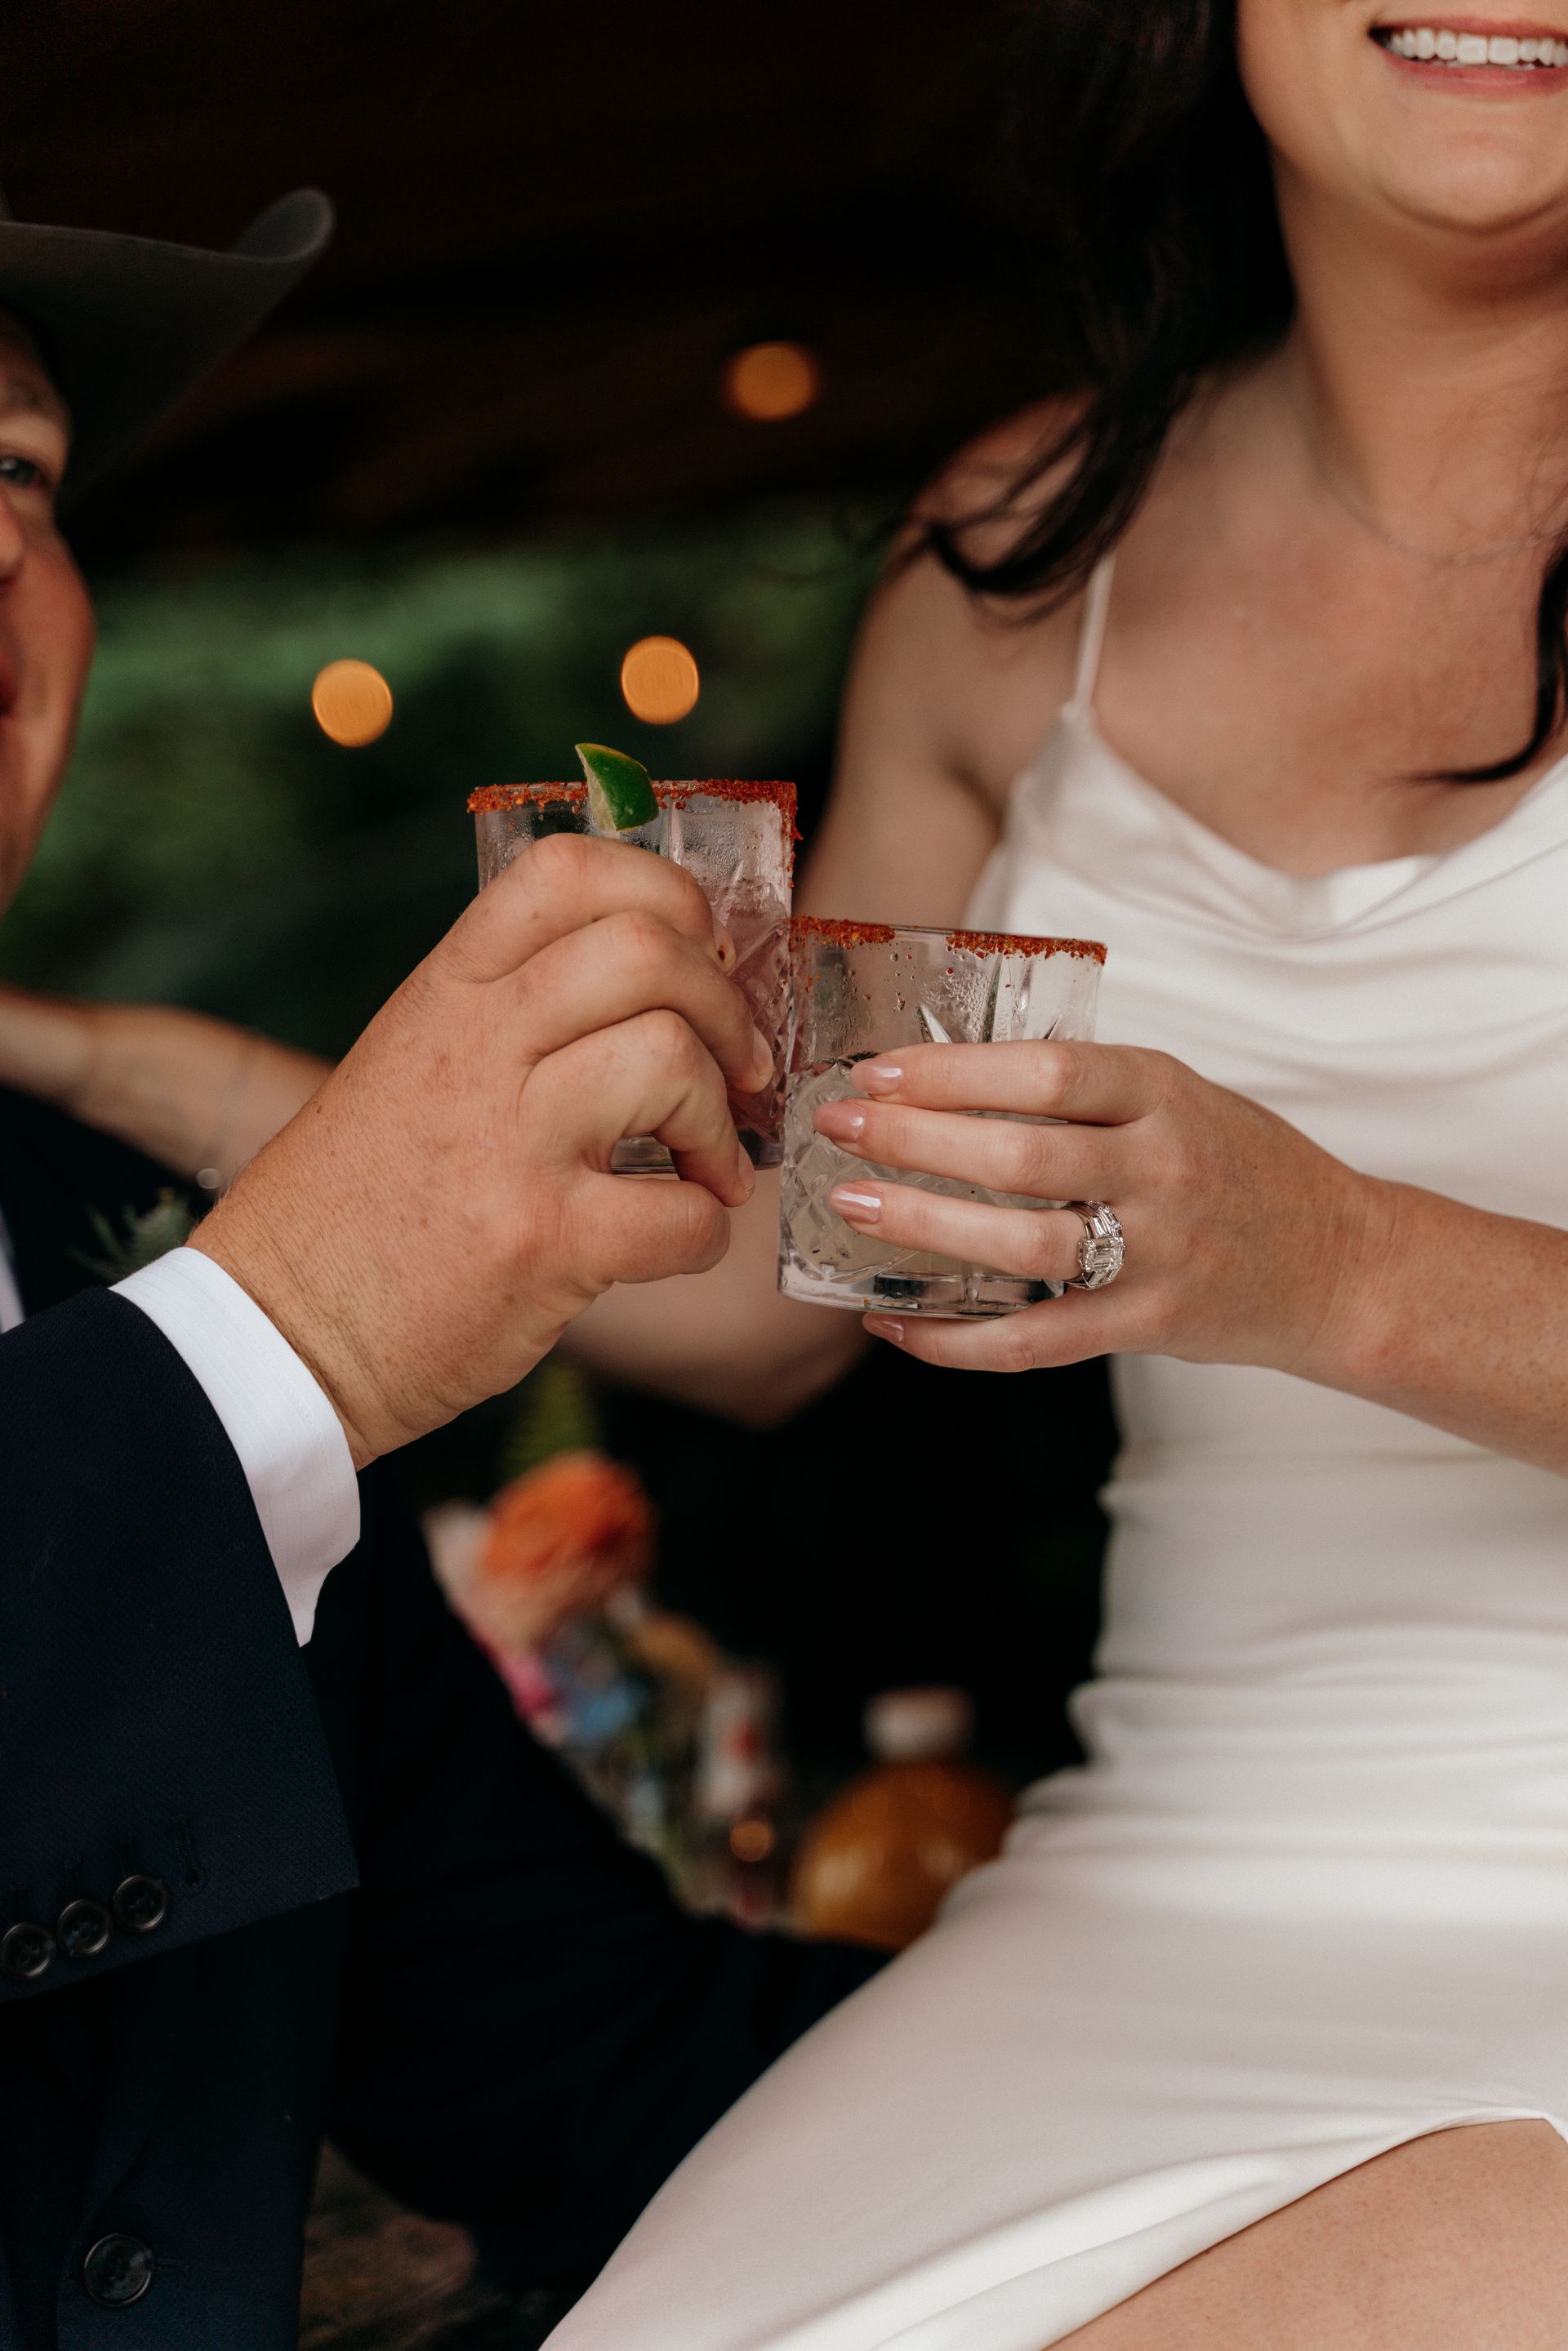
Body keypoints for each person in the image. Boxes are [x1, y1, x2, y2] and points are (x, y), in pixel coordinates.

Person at [43, 1, 1568, 2342]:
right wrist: (121, 1062)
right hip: (1174, 1871)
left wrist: (1331, 1260)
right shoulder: (1018, 562)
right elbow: (775, 1280)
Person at [0, 187, 884, 2350]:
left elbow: (587, 2054)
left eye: (17, 472)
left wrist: (1236, 2036)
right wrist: (285, 1338)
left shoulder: (102, 1225)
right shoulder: (239, 1322)